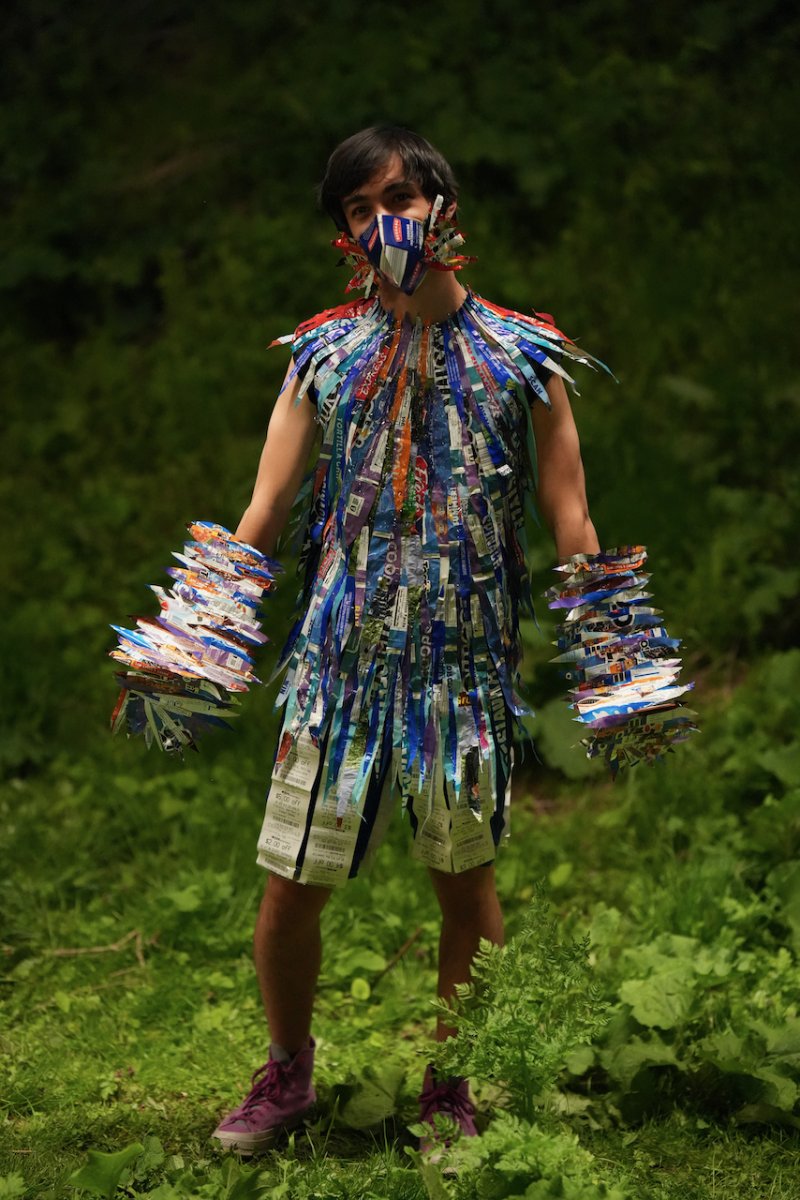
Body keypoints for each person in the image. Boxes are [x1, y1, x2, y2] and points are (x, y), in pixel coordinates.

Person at [211, 125, 601, 1156]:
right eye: (357, 207)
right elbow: (264, 509)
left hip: (460, 682)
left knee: (463, 886)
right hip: (336, 673)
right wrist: (197, 627)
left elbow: (570, 520)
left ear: (442, 205)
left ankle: (451, 1085)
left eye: (399, 195)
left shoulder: (525, 357)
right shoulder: (321, 357)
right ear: (342, 233)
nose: (383, 218)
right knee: (291, 887)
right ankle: (286, 1073)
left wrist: (614, 652)